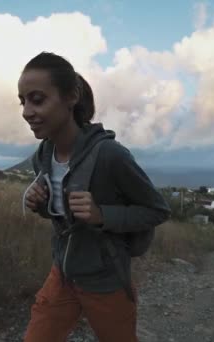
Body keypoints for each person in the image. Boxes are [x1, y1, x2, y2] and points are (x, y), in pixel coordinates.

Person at [20, 51, 171, 342]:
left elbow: (157, 210)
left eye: (37, 100)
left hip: (106, 281)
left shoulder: (110, 155)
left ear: (71, 97)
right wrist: (41, 205)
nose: (27, 111)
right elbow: (63, 215)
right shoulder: (43, 154)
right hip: (63, 275)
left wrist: (102, 215)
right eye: (23, 101)